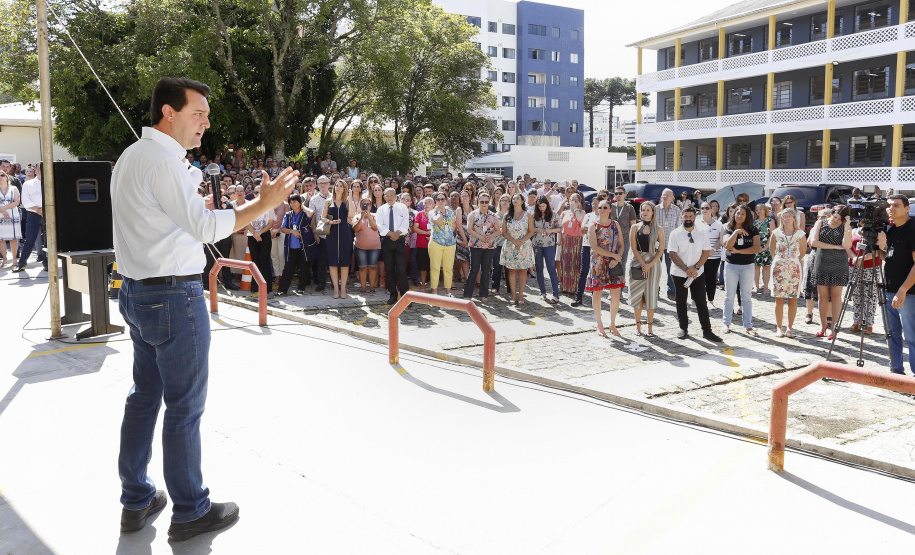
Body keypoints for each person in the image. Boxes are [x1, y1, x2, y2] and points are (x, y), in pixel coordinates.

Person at [113, 77, 299, 541]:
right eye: (198, 113)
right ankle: (191, 510)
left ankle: (136, 499)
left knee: (144, 397)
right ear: (168, 113)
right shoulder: (163, 162)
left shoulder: (133, 157)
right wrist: (263, 203)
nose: (206, 123)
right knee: (183, 407)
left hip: (138, 292)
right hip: (174, 297)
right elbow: (201, 227)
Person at [667, 208, 722, 342]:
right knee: (681, 301)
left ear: (694, 217)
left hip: (698, 273)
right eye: (685, 216)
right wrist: (687, 269)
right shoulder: (675, 233)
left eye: (690, 216)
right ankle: (683, 328)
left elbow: (706, 252)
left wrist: (696, 267)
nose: (688, 218)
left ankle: (707, 331)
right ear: (681, 217)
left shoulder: (703, 232)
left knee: (701, 302)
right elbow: (672, 254)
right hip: (679, 273)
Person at [877, 195, 915, 375]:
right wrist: (876, 250)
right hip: (889, 291)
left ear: (907, 208)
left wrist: (903, 289)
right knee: (891, 336)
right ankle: (896, 373)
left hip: (908, 293)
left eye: (896, 206)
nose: (891, 209)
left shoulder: (913, 228)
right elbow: (889, 258)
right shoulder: (891, 229)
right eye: (889, 206)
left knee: (912, 338)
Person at [811, 205, 851, 339]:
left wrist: (846, 227)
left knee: (836, 296)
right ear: (831, 214)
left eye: (839, 219)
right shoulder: (820, 223)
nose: (835, 220)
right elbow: (814, 242)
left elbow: (846, 246)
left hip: (839, 263)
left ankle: (833, 327)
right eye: (834, 217)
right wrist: (834, 246)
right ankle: (823, 326)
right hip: (822, 262)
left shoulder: (845, 227)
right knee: (822, 295)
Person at [586, 200, 625, 336]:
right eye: (599, 207)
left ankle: (613, 324)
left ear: (610, 209)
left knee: (616, 294)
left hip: (614, 263)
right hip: (598, 263)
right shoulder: (593, 225)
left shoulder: (615, 224)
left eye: (604, 207)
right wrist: (614, 255)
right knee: (597, 293)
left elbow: (621, 244)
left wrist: (617, 257)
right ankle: (599, 324)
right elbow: (594, 247)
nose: (601, 209)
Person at [722, 205, 761, 336]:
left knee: (746, 297)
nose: (739, 216)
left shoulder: (753, 229)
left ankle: (748, 326)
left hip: (748, 266)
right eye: (738, 213)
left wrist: (739, 251)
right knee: (729, 296)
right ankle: (726, 324)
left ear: (747, 216)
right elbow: (727, 245)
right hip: (731, 265)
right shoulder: (728, 227)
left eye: (743, 214)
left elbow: (756, 248)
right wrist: (736, 232)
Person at [627, 201, 664, 337]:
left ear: (653, 212)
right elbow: (633, 247)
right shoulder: (635, 228)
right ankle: (638, 327)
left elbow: (660, 250)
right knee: (637, 295)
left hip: (653, 263)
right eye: (643, 210)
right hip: (637, 262)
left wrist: (649, 264)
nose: (645, 212)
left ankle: (650, 328)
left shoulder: (659, 229)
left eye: (648, 210)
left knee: (651, 295)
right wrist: (643, 263)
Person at [768, 208, 806, 337]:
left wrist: (791, 261)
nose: (787, 218)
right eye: (785, 216)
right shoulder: (776, 232)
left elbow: (802, 252)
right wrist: (780, 261)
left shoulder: (800, 234)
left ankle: (790, 328)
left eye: (790, 216)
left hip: (794, 268)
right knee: (779, 299)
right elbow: (772, 250)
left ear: (794, 218)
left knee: (792, 299)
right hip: (779, 267)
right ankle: (779, 327)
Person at [276, 193, 318, 295]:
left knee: (304, 267)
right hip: (292, 246)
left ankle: (301, 288)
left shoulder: (304, 213)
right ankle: (282, 289)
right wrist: (292, 231)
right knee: (288, 268)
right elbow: (282, 228)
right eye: (291, 202)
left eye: (295, 201)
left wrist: (303, 206)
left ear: (300, 202)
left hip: (304, 246)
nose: (293, 204)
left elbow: (311, 212)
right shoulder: (288, 214)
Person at [572, 190, 608, 307]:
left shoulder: (604, 217)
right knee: (583, 271)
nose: (594, 206)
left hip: (598, 248)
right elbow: (583, 229)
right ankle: (578, 296)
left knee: (596, 271)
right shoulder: (588, 215)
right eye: (593, 204)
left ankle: (595, 296)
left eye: (596, 204)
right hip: (587, 245)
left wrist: (591, 229)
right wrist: (595, 229)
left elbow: (604, 232)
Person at [321, 180, 355, 299]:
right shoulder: (328, 201)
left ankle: (343, 288)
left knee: (345, 262)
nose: (338, 188)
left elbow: (351, 215)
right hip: (332, 234)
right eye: (337, 186)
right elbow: (322, 217)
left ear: (345, 188)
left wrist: (350, 198)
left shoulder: (347, 202)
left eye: (341, 186)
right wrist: (330, 222)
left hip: (345, 233)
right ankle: (336, 288)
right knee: (333, 262)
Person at [376, 187, 411, 304]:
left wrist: (397, 234)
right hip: (386, 240)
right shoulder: (381, 209)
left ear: (396, 196)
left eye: (392, 195)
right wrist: (390, 234)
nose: (389, 198)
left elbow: (405, 222)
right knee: (389, 269)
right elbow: (379, 225)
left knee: (401, 269)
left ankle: (405, 296)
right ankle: (393, 294)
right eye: (387, 195)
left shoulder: (402, 207)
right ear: (384, 197)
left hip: (400, 240)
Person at [463, 192, 500, 301]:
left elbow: (498, 230)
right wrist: (480, 237)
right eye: (482, 201)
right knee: (474, 269)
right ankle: (468, 294)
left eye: (486, 202)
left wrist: (490, 236)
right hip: (475, 244)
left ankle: (484, 294)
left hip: (489, 245)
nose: (484, 204)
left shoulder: (494, 216)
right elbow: (469, 229)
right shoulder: (473, 215)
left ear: (489, 203)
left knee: (486, 269)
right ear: (478, 202)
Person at [500, 192, 535, 305]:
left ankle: (521, 295)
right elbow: (504, 232)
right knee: (512, 270)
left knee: (523, 270)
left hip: (524, 246)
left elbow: (531, 231)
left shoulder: (527, 215)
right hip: (511, 245)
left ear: (522, 201)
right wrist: (514, 241)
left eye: (517, 198)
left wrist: (521, 241)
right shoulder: (507, 215)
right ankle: (513, 295)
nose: (515, 200)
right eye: (513, 198)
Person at [848, 224, 881, 335]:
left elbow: (878, 251)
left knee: (870, 295)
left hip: (871, 266)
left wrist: (862, 258)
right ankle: (856, 320)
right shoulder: (854, 231)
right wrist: (854, 258)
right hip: (854, 266)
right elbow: (847, 246)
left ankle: (868, 323)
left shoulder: (879, 232)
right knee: (856, 294)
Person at [14, 161, 46, 273]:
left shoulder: (51, 183)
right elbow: (25, 200)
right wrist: (38, 209)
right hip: (33, 215)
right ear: (36, 170)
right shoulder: (28, 184)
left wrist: (45, 210)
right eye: (40, 168)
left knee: (47, 241)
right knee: (30, 240)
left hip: (48, 215)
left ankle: (47, 264)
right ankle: (22, 263)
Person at [532, 195, 562, 304]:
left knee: (551, 268)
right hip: (537, 244)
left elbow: (560, 228)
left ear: (547, 205)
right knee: (539, 268)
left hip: (549, 245)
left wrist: (552, 230)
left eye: (543, 206)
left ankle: (555, 294)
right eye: (539, 206)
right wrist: (536, 229)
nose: (541, 208)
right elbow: (530, 229)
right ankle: (543, 292)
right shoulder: (534, 215)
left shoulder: (554, 215)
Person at [245, 192, 274, 293]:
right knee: (255, 262)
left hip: (265, 235)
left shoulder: (269, 206)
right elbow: (246, 222)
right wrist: (255, 233)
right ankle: (255, 287)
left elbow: (271, 223)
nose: (259, 194)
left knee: (265, 261)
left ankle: (267, 288)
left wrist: (260, 233)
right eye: (256, 192)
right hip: (252, 235)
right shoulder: (249, 206)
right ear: (254, 194)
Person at [429, 193, 458, 295]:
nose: (440, 201)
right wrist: (439, 211)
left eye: (443, 199)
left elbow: (453, 225)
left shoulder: (451, 212)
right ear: (435, 201)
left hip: (450, 243)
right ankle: (434, 291)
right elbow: (438, 222)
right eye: (438, 199)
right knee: (435, 268)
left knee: (448, 268)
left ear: (446, 200)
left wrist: (448, 235)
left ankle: (448, 292)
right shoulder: (432, 212)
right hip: (436, 242)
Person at [557, 193, 585, 294]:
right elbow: (560, 227)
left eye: (575, 200)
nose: (573, 202)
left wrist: (576, 209)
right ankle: (564, 286)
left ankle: (574, 287)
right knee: (565, 263)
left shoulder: (582, 212)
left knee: (575, 264)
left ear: (579, 202)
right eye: (571, 200)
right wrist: (559, 239)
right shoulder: (565, 213)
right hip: (565, 239)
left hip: (577, 240)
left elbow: (581, 222)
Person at [352, 196, 381, 294]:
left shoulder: (375, 216)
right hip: (360, 247)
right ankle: (363, 289)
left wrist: (369, 217)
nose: (366, 206)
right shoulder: (356, 216)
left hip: (374, 247)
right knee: (362, 267)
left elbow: (375, 227)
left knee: (373, 267)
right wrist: (361, 218)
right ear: (360, 206)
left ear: (370, 206)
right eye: (363, 204)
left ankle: (372, 288)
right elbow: (356, 229)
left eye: (368, 204)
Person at [657, 188, 682, 300]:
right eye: (663, 195)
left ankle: (671, 292)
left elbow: (679, 228)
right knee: (656, 270)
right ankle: (654, 291)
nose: (665, 197)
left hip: (671, 245)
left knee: (671, 270)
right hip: (657, 245)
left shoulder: (676, 210)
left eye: (668, 195)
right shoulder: (655, 209)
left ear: (672, 198)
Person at [698, 201, 724, 309]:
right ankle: (696, 300)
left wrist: (714, 249)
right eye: (702, 208)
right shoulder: (696, 223)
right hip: (699, 256)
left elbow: (721, 239)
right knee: (698, 279)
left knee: (711, 279)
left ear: (711, 209)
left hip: (714, 256)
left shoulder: (718, 224)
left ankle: (710, 300)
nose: (704, 210)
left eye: (707, 208)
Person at [308, 176, 331, 292]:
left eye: (325, 183)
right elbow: (312, 219)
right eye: (320, 183)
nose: (322, 185)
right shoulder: (314, 199)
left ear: (329, 184)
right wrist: (315, 234)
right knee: (321, 260)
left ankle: (334, 282)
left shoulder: (335, 197)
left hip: (334, 234)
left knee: (333, 259)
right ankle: (321, 283)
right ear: (317, 185)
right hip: (321, 234)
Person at [490, 193, 511, 295]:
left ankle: (510, 287)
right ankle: (495, 286)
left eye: (506, 200)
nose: (504, 202)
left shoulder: (512, 215)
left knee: (509, 267)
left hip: (509, 243)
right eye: (502, 200)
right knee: (497, 266)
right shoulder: (495, 215)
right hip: (497, 243)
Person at [0, 170, 22, 267]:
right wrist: (2, 211)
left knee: (13, 239)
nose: (0, 177)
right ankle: (4, 259)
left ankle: (14, 259)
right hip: (0, 215)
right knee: (1, 239)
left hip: (13, 214)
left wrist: (3, 208)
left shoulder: (14, 188)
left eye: (2, 175)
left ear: (6, 177)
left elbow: (17, 202)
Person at [413, 197, 434, 292]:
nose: (427, 204)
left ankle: (434, 286)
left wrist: (432, 235)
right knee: (423, 265)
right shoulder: (419, 214)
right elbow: (415, 228)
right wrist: (426, 233)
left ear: (434, 204)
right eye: (425, 203)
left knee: (434, 265)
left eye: (429, 202)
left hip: (435, 243)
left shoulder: (437, 214)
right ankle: (423, 285)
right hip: (422, 244)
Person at [753, 203, 773, 295]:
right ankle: (756, 286)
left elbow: (772, 235)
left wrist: (765, 247)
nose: (758, 211)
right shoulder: (754, 222)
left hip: (767, 247)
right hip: (755, 247)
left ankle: (765, 287)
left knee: (766, 267)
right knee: (756, 267)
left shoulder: (770, 221)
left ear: (765, 210)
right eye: (757, 210)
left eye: (760, 209)